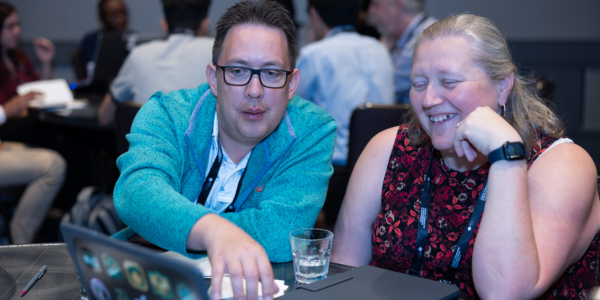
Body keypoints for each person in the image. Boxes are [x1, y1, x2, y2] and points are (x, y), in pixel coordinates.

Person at [332, 14, 600, 299]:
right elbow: (344, 274)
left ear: (503, 85)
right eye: (419, 83)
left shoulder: (562, 166)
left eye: (449, 81)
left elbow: (505, 293)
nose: (429, 100)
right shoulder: (387, 149)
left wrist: (506, 153)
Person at [112, 1, 336, 299]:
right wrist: (212, 231)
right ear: (213, 79)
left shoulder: (312, 131)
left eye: (271, 74)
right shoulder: (167, 114)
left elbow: (282, 232)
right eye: (238, 70)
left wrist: (172, 228)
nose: (254, 91)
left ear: (291, 84)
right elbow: (137, 193)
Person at [295, 0, 393, 226]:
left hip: (335, 177)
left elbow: (291, 109)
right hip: (386, 167)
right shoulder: (381, 50)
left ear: (313, 14)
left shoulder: (315, 54)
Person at [0, 2, 66, 244]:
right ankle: (20, 244)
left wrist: (46, 63)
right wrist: (8, 109)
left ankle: (63, 218)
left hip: (13, 137)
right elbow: (12, 108)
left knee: (62, 144)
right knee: (54, 163)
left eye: (18, 25)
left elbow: (38, 93)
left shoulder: (18, 58)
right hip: (11, 133)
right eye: (9, 26)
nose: (16, 31)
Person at [97, 0, 214, 126]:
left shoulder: (138, 55)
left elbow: (104, 116)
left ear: (163, 25)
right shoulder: (218, 52)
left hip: (145, 144)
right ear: (205, 24)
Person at [368, 0, 436, 104]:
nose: (370, 10)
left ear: (398, 5)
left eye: (376, 4)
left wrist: (381, 50)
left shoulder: (421, 43)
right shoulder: (419, 33)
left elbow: (378, 93)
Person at [79, 0, 130, 76]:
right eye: (114, 14)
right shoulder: (91, 40)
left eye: (124, 13)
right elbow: (91, 72)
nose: (121, 18)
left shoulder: (132, 37)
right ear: (101, 16)